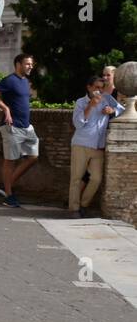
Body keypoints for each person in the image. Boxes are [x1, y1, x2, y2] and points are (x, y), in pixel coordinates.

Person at [0, 54, 38, 208]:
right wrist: (5, 108)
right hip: (11, 126)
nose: (30, 66)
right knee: (10, 160)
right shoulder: (10, 80)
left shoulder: (25, 82)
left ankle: (5, 185)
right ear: (18, 64)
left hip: (27, 126)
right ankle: (8, 195)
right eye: (27, 64)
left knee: (33, 157)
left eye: (31, 64)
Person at [69, 74, 124, 217]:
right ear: (89, 87)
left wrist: (113, 111)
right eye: (96, 88)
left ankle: (84, 205)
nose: (99, 91)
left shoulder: (107, 99)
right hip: (81, 144)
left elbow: (123, 111)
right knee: (76, 178)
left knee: (96, 178)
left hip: (99, 146)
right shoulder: (81, 102)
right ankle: (74, 209)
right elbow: (78, 123)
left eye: (101, 88)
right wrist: (90, 106)